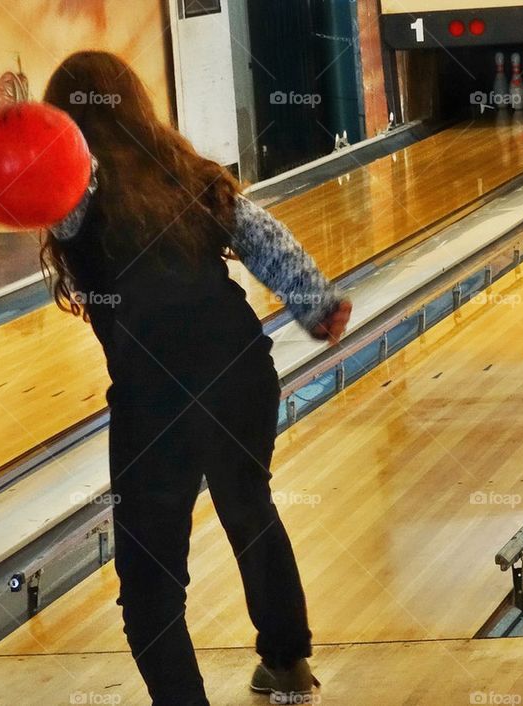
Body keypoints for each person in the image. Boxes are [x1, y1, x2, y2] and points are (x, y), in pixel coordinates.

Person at [40, 51, 352, 705]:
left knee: (150, 578)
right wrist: (316, 303)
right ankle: (288, 663)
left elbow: (47, 194)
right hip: (240, 369)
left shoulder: (74, 192)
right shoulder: (184, 172)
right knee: (250, 510)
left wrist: (22, 136)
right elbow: (262, 234)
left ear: (63, 124)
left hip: (154, 403)